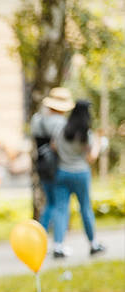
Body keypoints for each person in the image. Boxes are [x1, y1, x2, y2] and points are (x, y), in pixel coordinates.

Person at [51, 100, 106, 258]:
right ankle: (93, 244)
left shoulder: (62, 129)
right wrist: (97, 143)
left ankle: (58, 246)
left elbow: (53, 146)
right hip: (80, 173)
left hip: (62, 172)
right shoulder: (86, 133)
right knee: (85, 208)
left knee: (61, 209)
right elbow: (91, 157)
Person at [30, 87, 73, 232]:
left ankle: (40, 235)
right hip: (55, 166)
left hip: (41, 163)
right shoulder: (60, 123)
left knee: (49, 203)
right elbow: (58, 146)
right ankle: (58, 243)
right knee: (60, 205)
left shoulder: (37, 119)